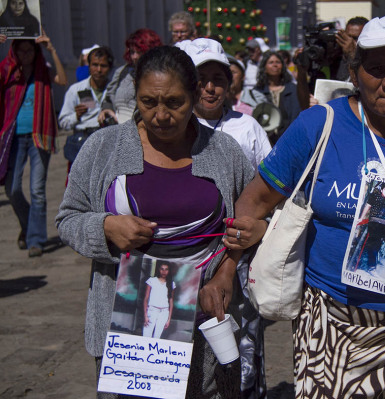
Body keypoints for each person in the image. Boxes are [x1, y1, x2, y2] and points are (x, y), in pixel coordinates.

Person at [226, 16, 385, 398]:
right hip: (328, 323)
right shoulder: (317, 125)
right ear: (355, 73)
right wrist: (230, 265)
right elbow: (253, 202)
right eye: (376, 69)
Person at [56, 45, 256, 398]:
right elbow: (68, 217)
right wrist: (104, 227)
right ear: (136, 95)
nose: (161, 115)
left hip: (202, 319)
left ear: (194, 94)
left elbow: (249, 220)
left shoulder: (224, 152)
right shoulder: (103, 148)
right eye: (149, 102)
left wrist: (226, 272)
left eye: (174, 103)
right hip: (127, 327)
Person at [0, 34, 67, 257]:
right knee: (13, 188)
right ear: (15, 51)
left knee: (37, 189)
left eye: (30, 51)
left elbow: (62, 80)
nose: (25, 55)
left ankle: (36, 240)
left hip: (39, 134)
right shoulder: (8, 72)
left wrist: (52, 50)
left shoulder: (43, 71)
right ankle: (29, 227)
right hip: (14, 138)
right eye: (21, 51)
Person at [176, 38, 271, 170]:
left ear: (228, 83)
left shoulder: (248, 127)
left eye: (217, 79)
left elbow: (268, 179)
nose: (210, 88)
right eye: (201, 79)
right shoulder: (176, 128)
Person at [98, 28, 162, 125]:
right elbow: (108, 97)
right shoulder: (122, 72)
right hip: (117, 131)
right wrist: (107, 109)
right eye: (132, 52)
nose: (134, 56)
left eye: (139, 52)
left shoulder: (160, 75)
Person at [59, 46, 113, 134]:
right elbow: (63, 123)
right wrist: (76, 116)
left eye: (103, 66)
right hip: (83, 138)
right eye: (95, 65)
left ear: (110, 68)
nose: (99, 70)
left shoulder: (114, 89)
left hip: (108, 136)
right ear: (89, 66)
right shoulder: (75, 90)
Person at [251, 50, 301, 142]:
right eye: (271, 62)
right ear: (264, 67)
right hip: (265, 141)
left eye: (278, 62)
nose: (275, 65)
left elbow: (296, 115)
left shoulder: (292, 89)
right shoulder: (258, 91)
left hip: (289, 140)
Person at [357, 183, 385, 273]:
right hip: (375, 224)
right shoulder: (375, 196)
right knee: (374, 244)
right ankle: (371, 267)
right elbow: (368, 206)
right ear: (381, 190)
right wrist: (361, 218)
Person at [143, 262, 175, 339]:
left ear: (169, 271)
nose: (164, 271)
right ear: (159, 270)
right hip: (152, 310)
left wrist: (168, 319)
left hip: (164, 313)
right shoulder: (152, 280)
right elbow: (146, 298)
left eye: (166, 269)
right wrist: (145, 316)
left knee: (157, 336)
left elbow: (171, 301)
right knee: (146, 335)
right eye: (162, 269)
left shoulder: (171, 284)